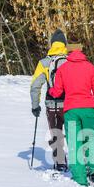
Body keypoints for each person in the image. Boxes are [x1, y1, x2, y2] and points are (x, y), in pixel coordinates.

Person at [49, 47, 94, 186]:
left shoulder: (63, 69)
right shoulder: (90, 67)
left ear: (69, 53)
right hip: (89, 110)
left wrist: (51, 91)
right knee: (89, 139)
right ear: (82, 53)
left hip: (71, 110)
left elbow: (57, 91)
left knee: (74, 142)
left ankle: (80, 177)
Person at [30, 29, 68, 171]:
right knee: (72, 131)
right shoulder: (70, 60)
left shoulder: (44, 62)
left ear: (52, 44)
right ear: (64, 44)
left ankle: (60, 162)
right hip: (69, 104)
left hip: (51, 103)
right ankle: (78, 162)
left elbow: (35, 85)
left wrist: (35, 106)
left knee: (56, 131)